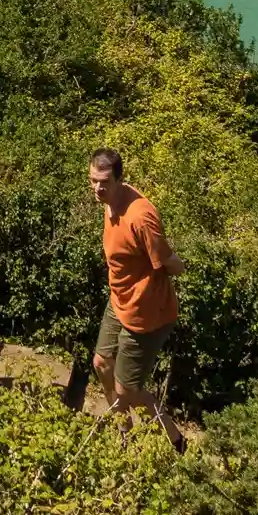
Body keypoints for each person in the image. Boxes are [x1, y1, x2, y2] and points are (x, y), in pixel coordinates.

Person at [87, 148, 185, 448]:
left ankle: (173, 435)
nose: (97, 188)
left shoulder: (141, 217)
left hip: (145, 312)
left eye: (104, 182)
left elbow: (172, 264)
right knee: (101, 362)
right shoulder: (108, 201)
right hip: (119, 298)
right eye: (93, 181)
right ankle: (123, 426)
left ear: (120, 180)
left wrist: (177, 267)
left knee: (127, 389)